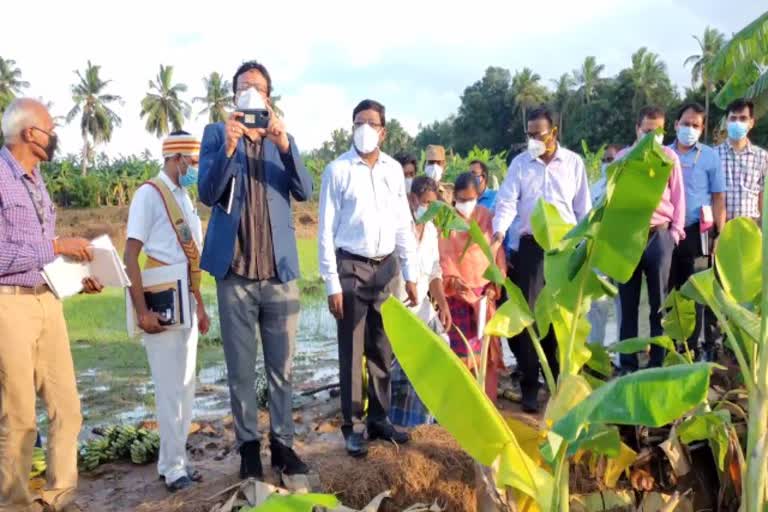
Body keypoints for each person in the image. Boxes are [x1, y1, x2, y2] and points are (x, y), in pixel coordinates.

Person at [198, 61, 312, 479]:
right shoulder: (215, 134)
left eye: (258, 88)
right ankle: (248, 448)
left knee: (282, 368)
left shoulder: (282, 138)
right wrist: (228, 148)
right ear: (233, 98)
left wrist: (283, 145)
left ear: (269, 97)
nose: (251, 93)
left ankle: (282, 444)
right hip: (236, 273)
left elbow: (304, 189)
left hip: (279, 274)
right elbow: (207, 193)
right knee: (241, 369)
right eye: (244, 88)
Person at [0, 98, 103, 512]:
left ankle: (57, 499)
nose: (55, 135)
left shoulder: (36, 180)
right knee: (20, 419)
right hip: (10, 308)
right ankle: (15, 505)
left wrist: (79, 277)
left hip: (48, 301)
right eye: (50, 128)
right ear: (29, 133)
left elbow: (43, 255)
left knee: (68, 410)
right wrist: (57, 245)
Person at [318, 99, 418, 457]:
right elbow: (326, 232)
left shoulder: (393, 170)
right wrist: (332, 284)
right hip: (351, 267)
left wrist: (411, 273)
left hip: (386, 267)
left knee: (382, 346)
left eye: (371, 123)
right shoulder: (338, 170)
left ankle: (379, 418)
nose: (364, 129)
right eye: (358, 122)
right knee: (352, 348)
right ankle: (352, 425)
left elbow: (403, 223)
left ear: (383, 131)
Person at [124, 131, 210, 492]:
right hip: (161, 303)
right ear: (176, 159)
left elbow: (192, 260)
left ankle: (174, 461)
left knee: (186, 387)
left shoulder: (184, 198)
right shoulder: (149, 195)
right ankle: (174, 470)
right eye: (191, 162)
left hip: (186, 300)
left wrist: (201, 306)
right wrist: (141, 312)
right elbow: (130, 255)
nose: (194, 168)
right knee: (170, 389)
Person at [492, 106, 591, 413]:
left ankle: (560, 384)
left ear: (554, 133)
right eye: (529, 134)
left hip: (564, 250)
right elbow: (507, 201)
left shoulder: (573, 163)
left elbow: (582, 209)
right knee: (530, 321)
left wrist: (585, 247)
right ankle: (530, 388)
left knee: (560, 319)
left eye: (539, 134)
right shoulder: (520, 165)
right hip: (531, 249)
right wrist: (497, 233)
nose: (533, 139)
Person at [616, 106, 685, 371]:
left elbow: (678, 197)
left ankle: (658, 362)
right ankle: (628, 364)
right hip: (628, 238)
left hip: (659, 235)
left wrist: (675, 234)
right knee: (628, 304)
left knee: (660, 304)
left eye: (657, 131)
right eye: (647, 131)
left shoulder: (669, 157)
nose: (652, 136)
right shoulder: (623, 159)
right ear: (637, 129)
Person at [389, 176, 452, 427]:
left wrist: (443, 304)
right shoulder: (397, 227)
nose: (429, 208)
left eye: (433, 204)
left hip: (422, 309)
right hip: (398, 309)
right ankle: (399, 422)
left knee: (441, 351)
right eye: (425, 203)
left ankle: (429, 419)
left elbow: (434, 271)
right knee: (402, 372)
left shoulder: (432, 231)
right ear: (413, 199)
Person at [440, 173, 506, 400]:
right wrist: (455, 283)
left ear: (478, 196)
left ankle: (487, 402)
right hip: (457, 296)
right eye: (460, 199)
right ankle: (463, 403)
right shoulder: (447, 221)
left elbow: (497, 255)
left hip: (484, 297)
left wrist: (492, 287)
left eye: (470, 199)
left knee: (486, 353)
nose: (465, 205)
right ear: (454, 198)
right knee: (460, 353)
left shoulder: (487, 218)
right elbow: (444, 257)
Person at [668, 103, 726, 361]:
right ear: (675, 125)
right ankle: (671, 347)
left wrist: (719, 235)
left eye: (695, 125)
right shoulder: (663, 154)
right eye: (685, 124)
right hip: (668, 231)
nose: (689, 129)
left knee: (696, 291)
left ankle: (694, 347)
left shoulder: (711, 157)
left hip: (698, 230)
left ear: (702, 129)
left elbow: (718, 198)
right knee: (670, 289)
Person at [587, 144, 622, 348]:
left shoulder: (627, 186)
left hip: (620, 252)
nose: (608, 163)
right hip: (598, 251)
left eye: (612, 159)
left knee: (622, 305)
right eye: (605, 160)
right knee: (597, 305)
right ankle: (596, 350)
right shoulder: (595, 188)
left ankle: (621, 354)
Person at [717, 98, 768, 224]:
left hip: (752, 226)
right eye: (733, 118)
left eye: (743, 118)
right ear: (727, 122)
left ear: (751, 122)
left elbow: (763, 194)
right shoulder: (713, 155)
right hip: (722, 227)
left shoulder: (762, 156)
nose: (737, 122)